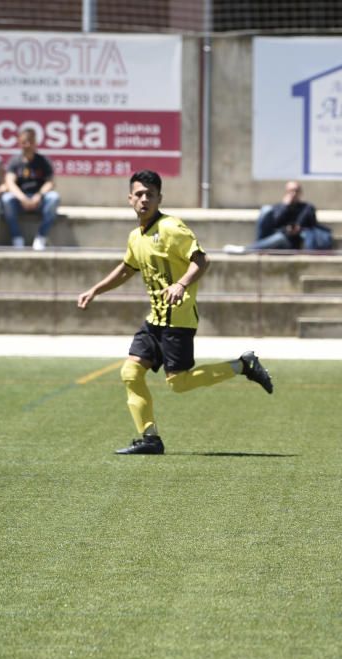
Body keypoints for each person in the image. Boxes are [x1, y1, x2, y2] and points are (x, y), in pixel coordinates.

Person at [77, 170, 274, 455]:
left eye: (150, 195)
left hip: (178, 320)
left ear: (159, 198)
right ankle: (149, 438)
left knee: (179, 383)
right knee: (130, 372)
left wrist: (181, 283)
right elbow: (126, 269)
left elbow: (202, 260)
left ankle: (243, 365)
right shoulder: (136, 236)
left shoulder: (171, 228)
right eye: (139, 194)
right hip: (154, 320)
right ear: (130, 198)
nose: (144, 199)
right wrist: (95, 289)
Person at [224, 181, 332, 252]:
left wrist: (297, 228)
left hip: (292, 243)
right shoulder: (279, 207)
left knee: (280, 238)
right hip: (276, 236)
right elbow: (274, 223)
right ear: (286, 192)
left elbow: (311, 223)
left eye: (296, 190)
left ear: (300, 193)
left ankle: (246, 250)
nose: (293, 193)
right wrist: (286, 207)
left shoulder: (307, 207)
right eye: (291, 191)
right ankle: (256, 246)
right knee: (266, 209)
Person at [1, 128, 60, 250]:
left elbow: (50, 182)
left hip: (39, 200)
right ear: (19, 143)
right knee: (6, 199)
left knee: (54, 197)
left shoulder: (43, 161)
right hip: (20, 200)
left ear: (35, 143)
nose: (27, 145)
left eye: (30, 141)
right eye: (24, 142)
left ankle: (41, 237)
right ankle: (17, 238)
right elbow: (10, 182)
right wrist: (22, 198)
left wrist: (38, 196)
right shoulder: (14, 161)